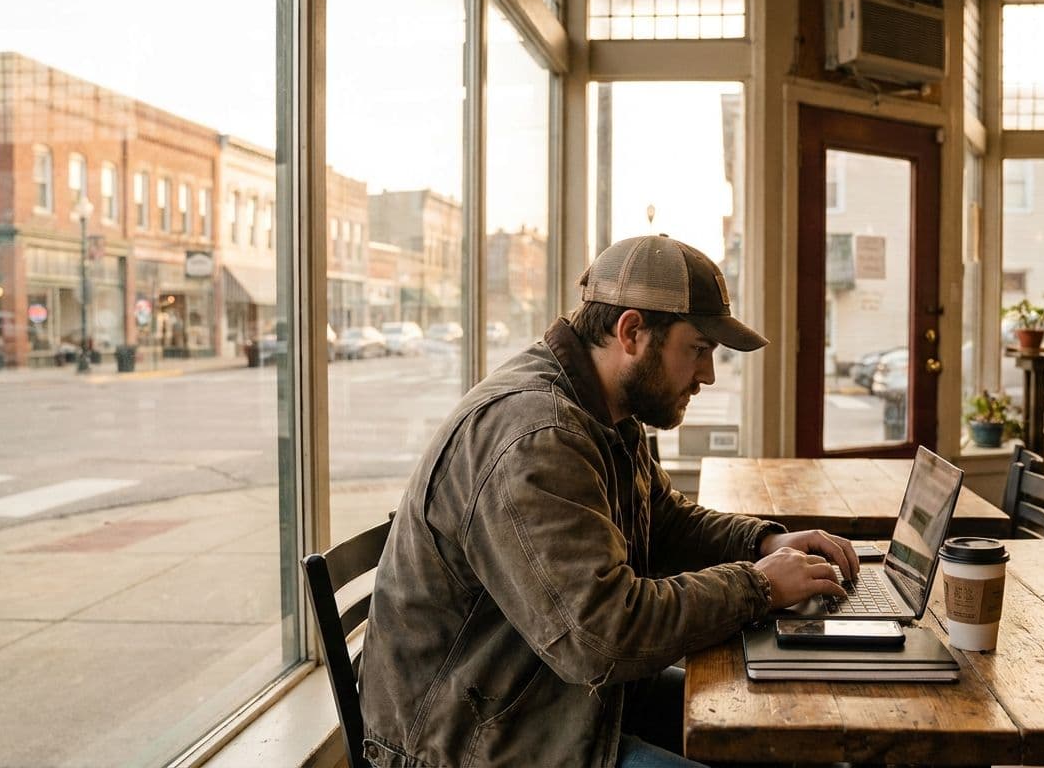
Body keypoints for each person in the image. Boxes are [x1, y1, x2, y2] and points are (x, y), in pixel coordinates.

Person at [359, 234, 860, 768]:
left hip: (545, 697)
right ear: (632, 332)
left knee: (777, 731)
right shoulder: (538, 436)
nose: (708, 376)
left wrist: (763, 542)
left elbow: (663, 521)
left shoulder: (603, 412)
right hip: (468, 743)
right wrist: (759, 585)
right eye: (698, 349)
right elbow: (602, 635)